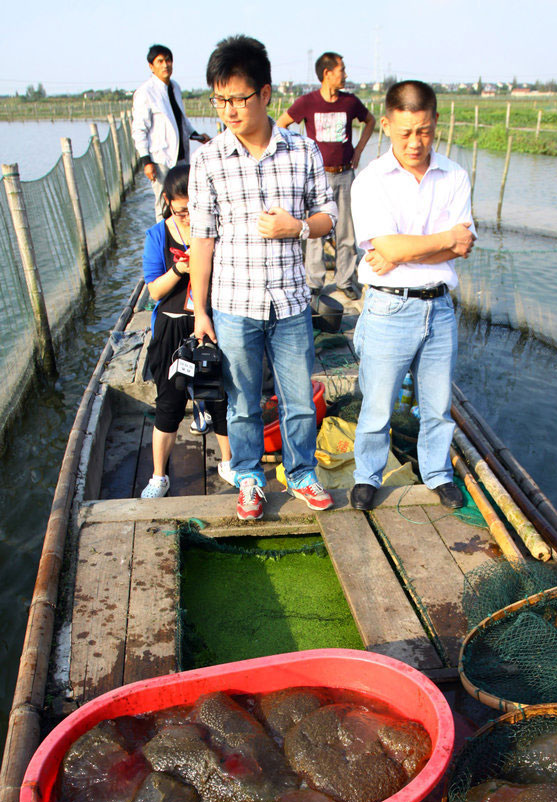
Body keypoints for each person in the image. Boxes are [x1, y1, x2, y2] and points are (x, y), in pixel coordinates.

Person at [188, 35, 338, 522]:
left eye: (238, 98)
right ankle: (249, 477)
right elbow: (203, 241)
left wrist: (296, 227)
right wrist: (201, 311)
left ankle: (301, 474)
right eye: (220, 99)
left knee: (298, 400)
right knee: (242, 402)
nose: (229, 109)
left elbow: (328, 217)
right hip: (234, 304)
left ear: (266, 93)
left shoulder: (302, 150)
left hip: (292, 303)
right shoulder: (209, 160)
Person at [349, 80, 476, 512]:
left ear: (435, 122)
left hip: (439, 307)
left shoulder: (455, 175)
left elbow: (464, 244)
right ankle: (367, 476)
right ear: (385, 125)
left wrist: (403, 250)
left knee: (438, 404)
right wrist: (435, 244)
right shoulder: (371, 181)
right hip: (388, 305)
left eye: (423, 130)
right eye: (404, 133)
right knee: (378, 404)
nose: (415, 142)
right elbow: (392, 250)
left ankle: (437, 473)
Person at [140, 165, 233, 499]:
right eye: (181, 211)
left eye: (195, 208)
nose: (189, 217)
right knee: (169, 401)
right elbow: (154, 290)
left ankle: (228, 461)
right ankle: (158, 476)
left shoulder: (215, 229)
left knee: (218, 395)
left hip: (208, 320)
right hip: (172, 324)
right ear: (167, 202)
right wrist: (181, 266)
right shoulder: (157, 236)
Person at [277, 53, 374, 300]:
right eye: (342, 70)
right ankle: (314, 282)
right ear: (327, 73)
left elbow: (370, 121)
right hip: (316, 177)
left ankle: (345, 280)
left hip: (344, 174)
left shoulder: (350, 102)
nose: (346, 74)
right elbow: (281, 124)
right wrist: (296, 154)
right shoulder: (307, 102)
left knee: (346, 230)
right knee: (313, 230)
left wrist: (359, 149)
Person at [132, 44, 211, 222]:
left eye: (168, 60)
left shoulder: (175, 87)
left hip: (181, 156)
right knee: (164, 201)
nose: (165, 65)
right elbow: (139, 130)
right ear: (151, 66)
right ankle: (163, 241)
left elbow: (181, 120)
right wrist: (146, 161)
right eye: (160, 61)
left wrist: (197, 136)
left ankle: (184, 238)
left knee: (185, 197)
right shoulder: (145, 92)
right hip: (161, 158)